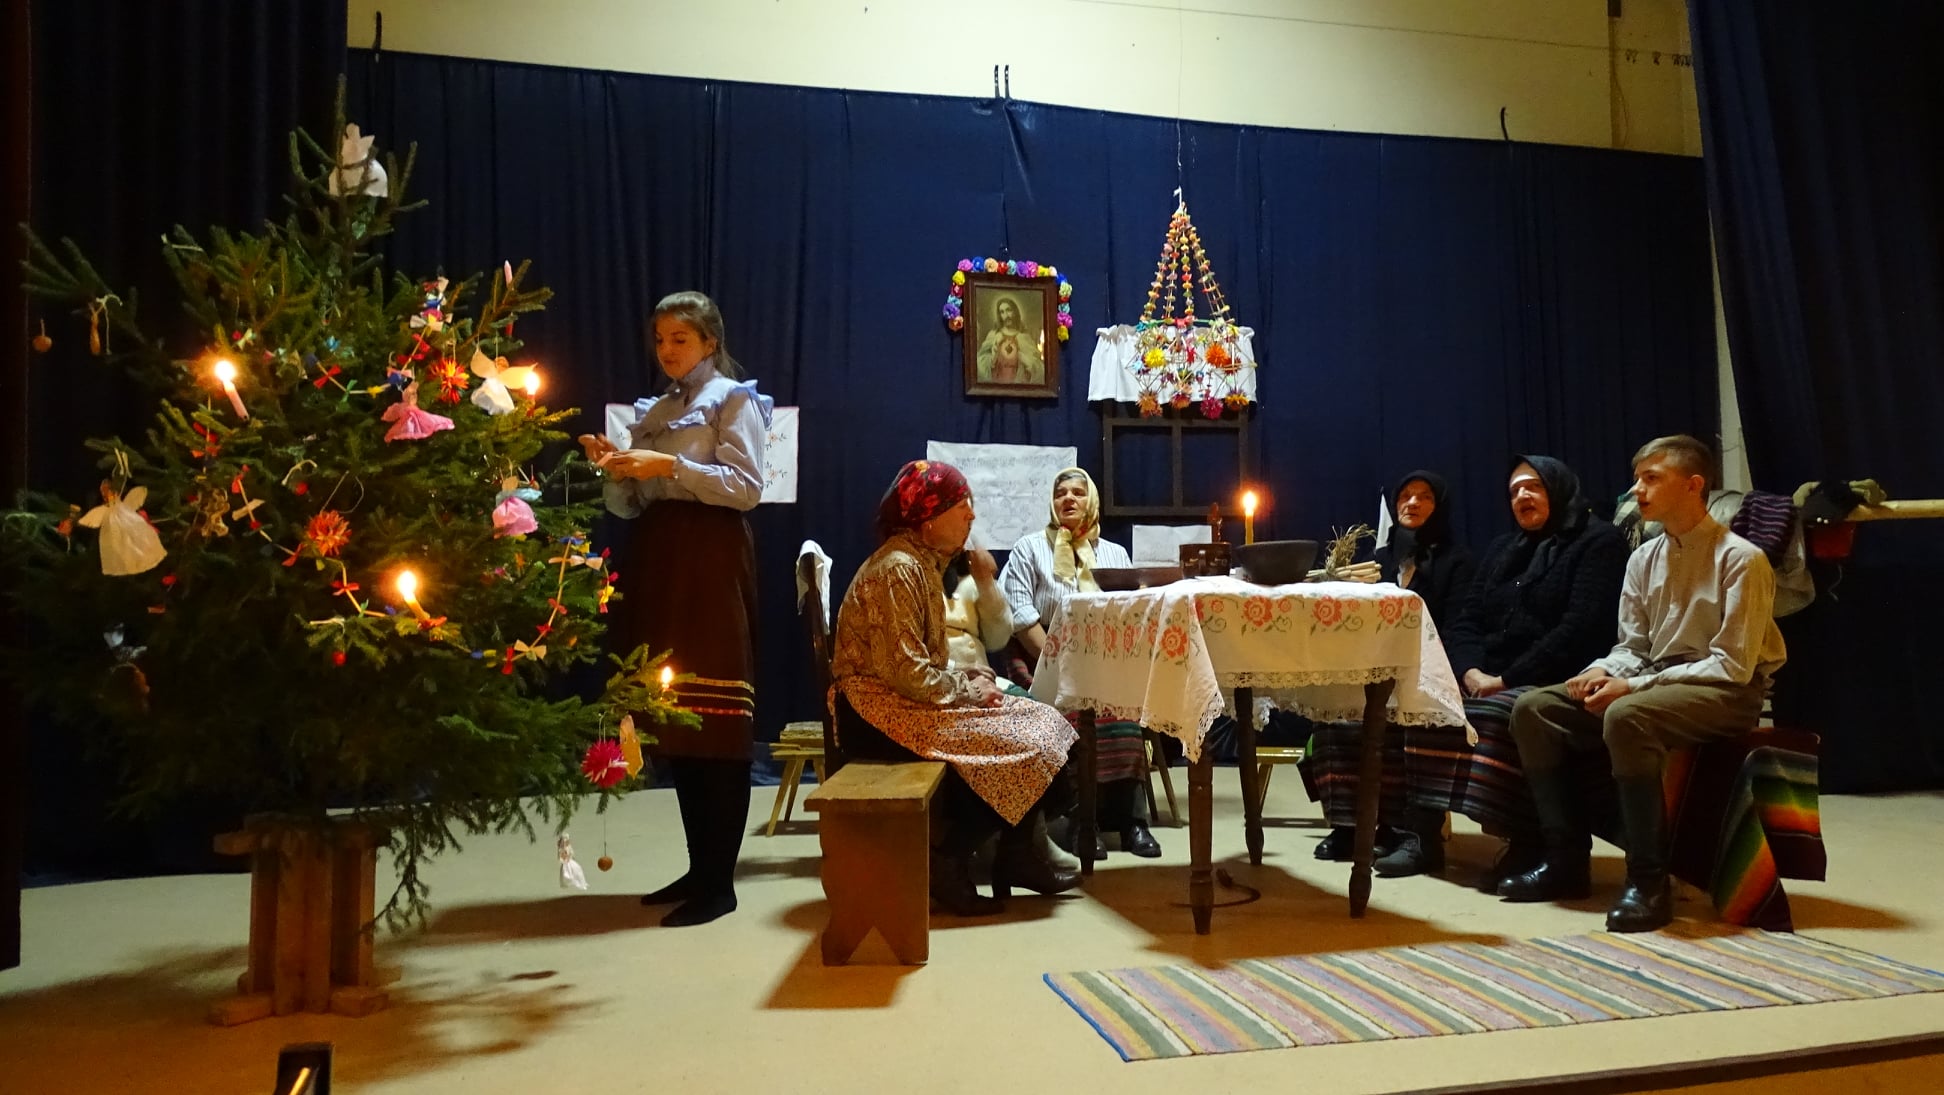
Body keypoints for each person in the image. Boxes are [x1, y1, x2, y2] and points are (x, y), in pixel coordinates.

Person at [1502, 436, 1786, 932]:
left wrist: (1633, 688)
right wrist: (1602, 670)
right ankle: (1566, 860)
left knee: (1627, 715)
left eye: (1652, 478)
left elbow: (1733, 665)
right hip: (1660, 683)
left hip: (1727, 692)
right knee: (1533, 710)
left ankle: (1649, 880)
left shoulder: (1742, 559)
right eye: (1638, 479)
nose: (1637, 491)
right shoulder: (1643, 559)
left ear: (1694, 485)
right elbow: (1632, 646)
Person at [579, 290, 769, 928]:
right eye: (659, 340)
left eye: (679, 340)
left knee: (713, 723)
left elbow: (746, 489)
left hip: (710, 561)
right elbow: (629, 508)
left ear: (710, 342)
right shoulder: (653, 410)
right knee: (676, 721)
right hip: (659, 557)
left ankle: (721, 883)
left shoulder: (735, 400)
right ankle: (699, 867)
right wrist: (615, 470)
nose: (666, 351)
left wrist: (672, 464)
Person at [829, 459, 1081, 915]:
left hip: (902, 701)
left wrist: (967, 679)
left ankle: (1017, 850)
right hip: (874, 712)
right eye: (962, 505)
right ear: (928, 516)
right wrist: (967, 691)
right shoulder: (898, 568)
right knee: (1023, 742)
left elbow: (916, 667)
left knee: (1046, 723)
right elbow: (905, 672)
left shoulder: (920, 565)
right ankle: (951, 859)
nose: (971, 516)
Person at [1388, 456, 1630, 886]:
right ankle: (1421, 837)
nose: (1522, 496)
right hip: (1489, 675)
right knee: (1425, 704)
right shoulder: (1504, 548)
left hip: (1559, 672)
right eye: (1515, 489)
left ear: (1557, 488)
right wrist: (1469, 672)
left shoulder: (1599, 542)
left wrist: (1505, 679)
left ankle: (1527, 840)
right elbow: (1467, 619)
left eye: (1533, 486)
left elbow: (1579, 628)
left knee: (1502, 714)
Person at [1307, 471, 1476, 875]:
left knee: (1415, 716)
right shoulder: (1378, 562)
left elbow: (1461, 625)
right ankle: (1351, 825)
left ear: (1441, 508)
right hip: (1377, 672)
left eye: (1424, 498)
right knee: (1336, 711)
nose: (1412, 504)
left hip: (1434, 672)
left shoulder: (1459, 561)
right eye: (1405, 496)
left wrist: (1444, 672)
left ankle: (1416, 834)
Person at [998, 468, 1161, 858]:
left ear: (1092, 502)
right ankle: (1079, 821)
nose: (1068, 499)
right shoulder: (1029, 548)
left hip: (1103, 661)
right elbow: (1021, 619)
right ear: (1052, 504)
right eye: (1060, 494)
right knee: (1071, 719)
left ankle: (1132, 822)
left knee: (1124, 713)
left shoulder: (1114, 554)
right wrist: (1066, 667)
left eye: (1078, 493)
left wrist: (1101, 671)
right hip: (1044, 661)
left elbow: (1129, 616)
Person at [976, 296, 1044, 385]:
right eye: (1002, 312)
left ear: (1015, 312)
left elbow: (1038, 367)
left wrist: (1025, 360)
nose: (1006, 316)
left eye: (1009, 310)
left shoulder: (1024, 337)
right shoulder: (993, 335)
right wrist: (993, 357)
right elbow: (980, 361)